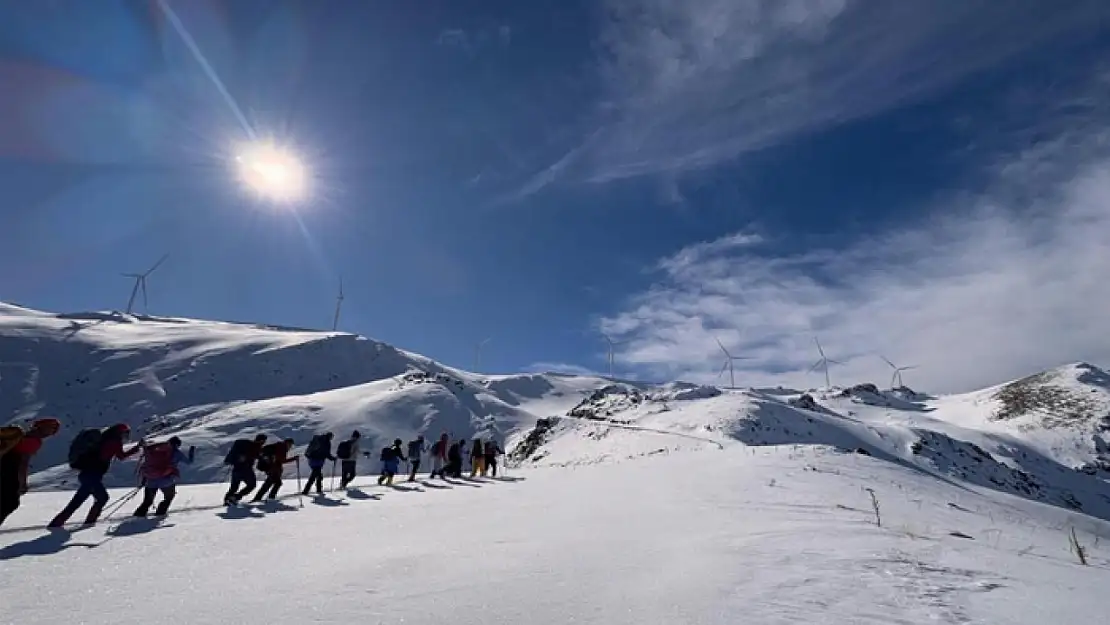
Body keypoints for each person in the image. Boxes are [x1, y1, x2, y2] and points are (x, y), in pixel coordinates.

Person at [49, 424, 143, 528]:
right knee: (102, 498)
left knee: (78, 501)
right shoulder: (114, 441)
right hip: (93, 476)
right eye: (125, 433)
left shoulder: (103, 439)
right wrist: (137, 448)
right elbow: (121, 456)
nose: (126, 436)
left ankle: (57, 523)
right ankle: (89, 523)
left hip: (87, 474)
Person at [0, 418, 61, 526]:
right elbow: (23, 463)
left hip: (4, 467)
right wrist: (22, 483)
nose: (52, 432)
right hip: (9, 470)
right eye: (52, 429)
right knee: (11, 502)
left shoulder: (21, 436)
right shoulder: (34, 441)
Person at [134, 436, 195, 517]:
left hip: (151, 479)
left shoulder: (157, 450)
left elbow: (149, 464)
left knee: (147, 501)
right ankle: (160, 514)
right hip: (166, 480)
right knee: (169, 497)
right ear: (177, 444)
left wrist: (145, 479)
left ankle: (137, 516)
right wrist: (191, 453)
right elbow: (189, 462)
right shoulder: (177, 453)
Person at [224, 434, 267, 505]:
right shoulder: (256, 447)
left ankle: (227, 501)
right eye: (264, 440)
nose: (264, 442)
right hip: (246, 470)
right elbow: (258, 456)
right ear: (262, 440)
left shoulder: (247, 445)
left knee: (233, 487)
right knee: (252, 485)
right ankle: (235, 497)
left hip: (236, 469)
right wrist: (263, 458)